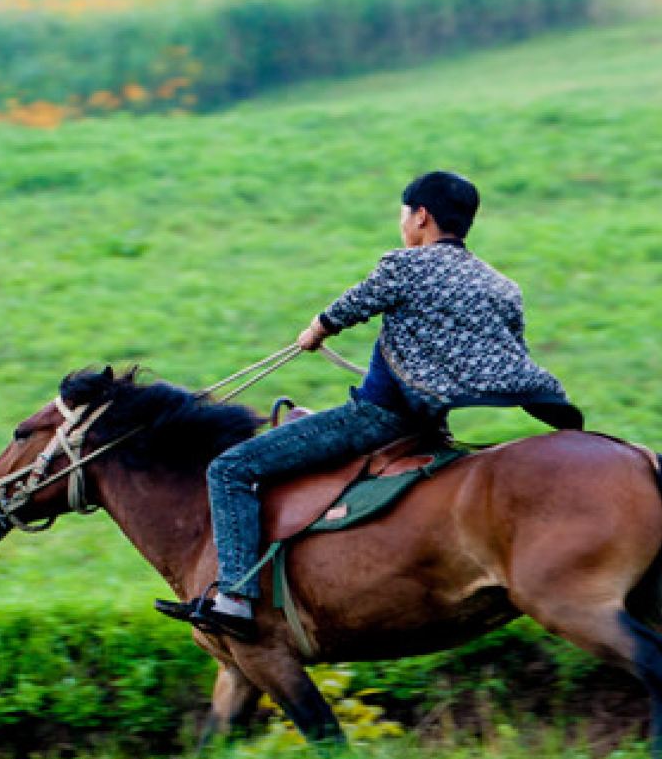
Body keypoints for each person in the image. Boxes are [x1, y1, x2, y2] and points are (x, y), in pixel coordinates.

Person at [162, 170, 582, 641]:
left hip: (377, 421)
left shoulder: (405, 266)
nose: (403, 224)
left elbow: (352, 306)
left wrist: (315, 330)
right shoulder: (501, 286)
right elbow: (507, 353)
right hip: (430, 428)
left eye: (405, 214)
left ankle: (235, 597)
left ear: (421, 216)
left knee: (231, 468)